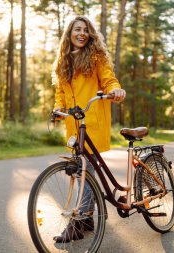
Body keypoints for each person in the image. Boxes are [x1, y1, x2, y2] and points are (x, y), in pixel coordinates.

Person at [52, 16, 126, 243]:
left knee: (85, 169)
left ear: (90, 33)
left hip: (91, 120)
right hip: (74, 125)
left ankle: (79, 220)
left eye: (85, 30)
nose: (82, 33)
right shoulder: (64, 62)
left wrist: (116, 90)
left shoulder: (96, 57)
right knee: (81, 170)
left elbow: (109, 79)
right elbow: (61, 93)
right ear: (70, 34)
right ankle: (88, 218)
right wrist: (57, 108)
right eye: (77, 29)